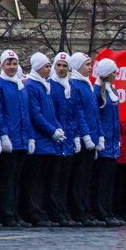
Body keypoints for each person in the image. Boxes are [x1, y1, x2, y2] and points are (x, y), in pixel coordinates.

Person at [22, 52, 65, 227]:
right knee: (35, 180)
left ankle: (41, 210)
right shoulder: (32, 85)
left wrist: (57, 127)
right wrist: (51, 131)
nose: (49, 69)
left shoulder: (44, 85)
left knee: (43, 179)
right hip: (40, 140)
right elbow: (36, 114)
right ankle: (33, 212)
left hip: (48, 141)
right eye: (47, 66)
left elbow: (51, 112)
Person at [0, 49, 29, 227]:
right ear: (2, 65)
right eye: (8, 64)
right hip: (9, 139)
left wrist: (29, 137)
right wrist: (4, 135)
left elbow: (25, 114)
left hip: (21, 139)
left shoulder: (20, 85)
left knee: (16, 179)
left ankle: (14, 212)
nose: (12, 67)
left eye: (14, 64)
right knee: (6, 179)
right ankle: (5, 213)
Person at [48, 52, 82, 226]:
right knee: (54, 179)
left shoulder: (71, 87)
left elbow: (75, 113)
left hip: (67, 139)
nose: (61, 69)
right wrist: (55, 130)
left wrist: (76, 136)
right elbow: (50, 112)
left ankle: (62, 210)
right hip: (55, 139)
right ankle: (55, 212)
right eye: (59, 65)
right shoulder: (49, 85)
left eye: (64, 66)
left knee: (64, 179)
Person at [68, 52, 100, 226]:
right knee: (79, 177)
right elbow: (78, 112)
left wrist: (98, 135)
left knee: (87, 177)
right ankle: (78, 210)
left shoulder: (87, 84)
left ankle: (85, 208)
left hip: (92, 137)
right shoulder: (75, 85)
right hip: (82, 138)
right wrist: (84, 135)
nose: (90, 67)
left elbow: (94, 113)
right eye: (87, 64)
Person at [93, 58, 122, 226]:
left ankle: (107, 210)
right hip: (104, 143)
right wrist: (99, 138)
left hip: (112, 144)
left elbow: (115, 119)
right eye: (113, 72)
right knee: (101, 181)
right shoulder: (97, 92)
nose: (115, 75)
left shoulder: (112, 91)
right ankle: (101, 211)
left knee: (109, 181)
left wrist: (117, 139)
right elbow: (96, 117)